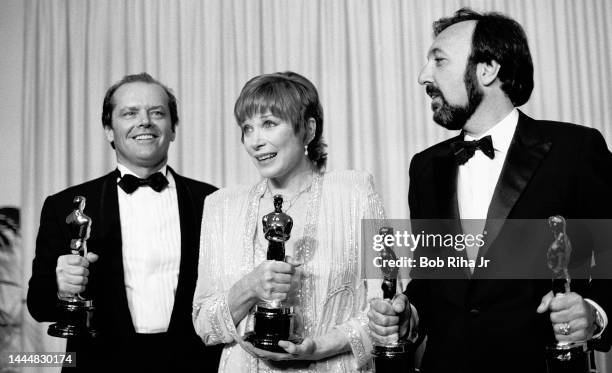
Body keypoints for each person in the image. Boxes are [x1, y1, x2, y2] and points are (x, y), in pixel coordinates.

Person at [367, 8, 612, 373]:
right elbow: (434, 279)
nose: (423, 77)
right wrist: (409, 315)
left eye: (439, 61)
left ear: (487, 69)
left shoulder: (575, 150)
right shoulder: (424, 167)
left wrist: (593, 313)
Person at [27, 73, 222, 372]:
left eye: (157, 113)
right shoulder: (66, 205)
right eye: (130, 113)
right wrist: (60, 287)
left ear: (172, 129)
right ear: (108, 129)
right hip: (99, 365)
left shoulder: (212, 202)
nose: (144, 121)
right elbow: (38, 305)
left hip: (192, 365)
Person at [192, 71, 385, 372]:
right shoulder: (221, 206)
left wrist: (318, 348)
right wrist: (249, 287)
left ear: (308, 130)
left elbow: (384, 307)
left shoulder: (355, 192)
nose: (255, 141)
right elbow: (204, 324)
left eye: (269, 123)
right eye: (247, 128)